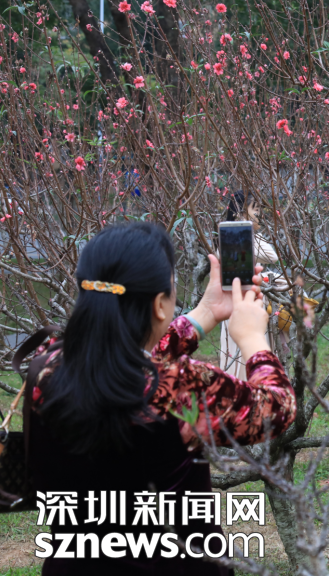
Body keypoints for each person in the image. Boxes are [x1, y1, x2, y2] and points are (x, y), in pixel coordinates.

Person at [28, 222, 295, 575]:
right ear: (159, 305)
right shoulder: (182, 388)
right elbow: (277, 408)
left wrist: (205, 313)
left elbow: (128, 364)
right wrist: (252, 337)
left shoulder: (47, 366)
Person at [219, 191, 285, 379]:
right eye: (255, 209)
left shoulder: (234, 239)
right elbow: (272, 256)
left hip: (247, 302)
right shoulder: (239, 239)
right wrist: (249, 231)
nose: (259, 214)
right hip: (242, 305)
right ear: (241, 212)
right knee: (244, 356)